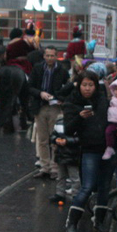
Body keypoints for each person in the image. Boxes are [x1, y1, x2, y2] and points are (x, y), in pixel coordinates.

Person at [62, 70, 114, 232]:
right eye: (84, 85)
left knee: (104, 186)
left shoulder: (103, 101)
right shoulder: (72, 103)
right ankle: (72, 221)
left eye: (91, 85)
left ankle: (99, 221)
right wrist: (79, 117)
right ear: (78, 85)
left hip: (107, 148)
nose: (87, 89)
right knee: (88, 186)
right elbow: (68, 129)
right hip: (89, 149)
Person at [30, 46, 69, 179]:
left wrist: (60, 99)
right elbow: (29, 87)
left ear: (56, 56)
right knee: (42, 139)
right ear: (44, 56)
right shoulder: (37, 68)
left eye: (52, 55)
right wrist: (40, 93)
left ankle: (54, 167)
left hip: (55, 108)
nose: (50, 58)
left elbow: (68, 88)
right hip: (40, 107)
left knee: (55, 139)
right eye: (47, 55)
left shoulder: (62, 70)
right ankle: (44, 166)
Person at [48, 115, 81, 204]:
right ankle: (60, 194)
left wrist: (67, 141)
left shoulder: (77, 122)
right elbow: (53, 135)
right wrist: (56, 139)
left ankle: (75, 194)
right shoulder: (59, 122)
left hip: (71, 154)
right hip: (62, 154)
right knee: (61, 175)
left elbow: (81, 138)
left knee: (74, 176)